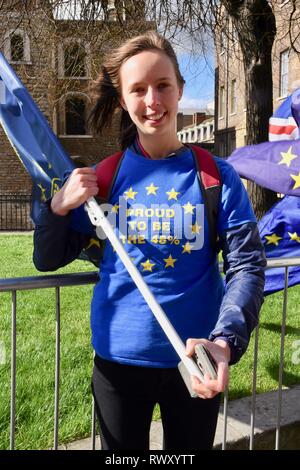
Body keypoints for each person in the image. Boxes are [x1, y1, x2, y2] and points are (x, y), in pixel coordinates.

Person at [33, 31, 266, 450]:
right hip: (118, 363)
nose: (152, 100)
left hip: (197, 358)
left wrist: (225, 341)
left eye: (162, 85)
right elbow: (48, 260)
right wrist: (58, 209)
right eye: (138, 89)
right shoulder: (102, 178)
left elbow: (247, 264)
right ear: (123, 100)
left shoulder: (216, 176)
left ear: (180, 88)